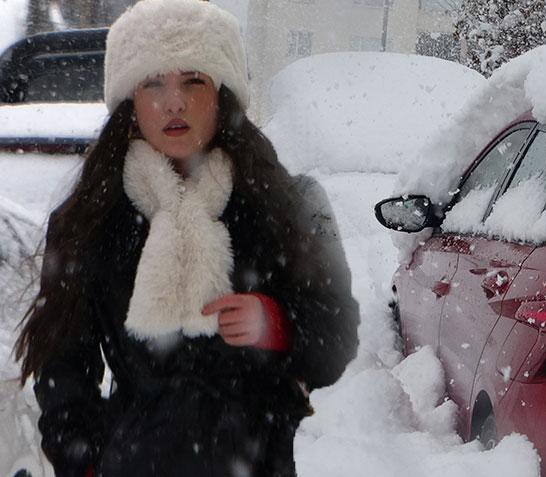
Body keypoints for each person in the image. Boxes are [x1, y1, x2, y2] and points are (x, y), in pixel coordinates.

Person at [13, 1, 359, 475]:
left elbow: (336, 341)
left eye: (192, 81)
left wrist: (276, 323)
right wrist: (86, 463)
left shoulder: (282, 205)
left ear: (222, 95)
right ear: (130, 106)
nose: (173, 101)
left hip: (257, 461)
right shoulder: (91, 220)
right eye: (153, 83)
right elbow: (63, 371)